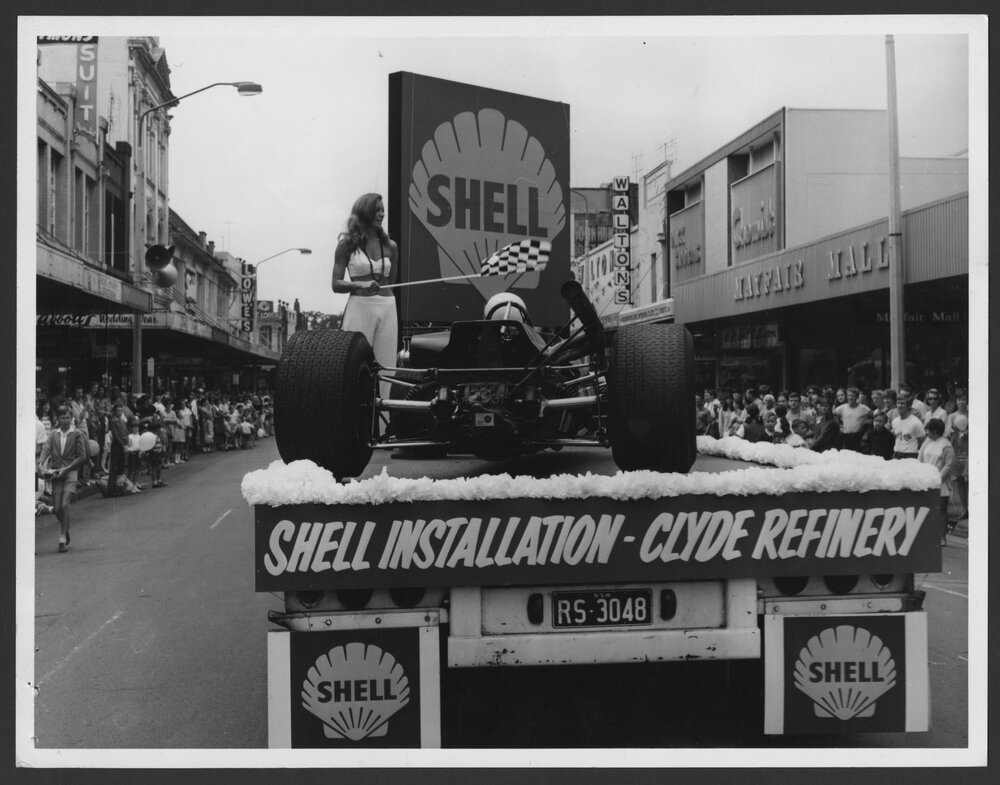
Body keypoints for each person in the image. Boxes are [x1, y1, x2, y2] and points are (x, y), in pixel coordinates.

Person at [332, 193, 399, 399]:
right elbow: (336, 283)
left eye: (383, 209)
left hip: (387, 307)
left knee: (387, 369)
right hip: (359, 306)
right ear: (364, 211)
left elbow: (392, 282)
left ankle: (384, 426)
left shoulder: (391, 246)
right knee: (352, 365)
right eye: (377, 209)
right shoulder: (346, 245)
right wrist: (360, 284)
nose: (382, 214)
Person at [37, 406, 88, 552]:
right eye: (62, 418)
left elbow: (82, 456)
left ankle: (62, 539)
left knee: (65, 505)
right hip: (55, 474)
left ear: (71, 418)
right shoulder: (53, 434)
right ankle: (66, 528)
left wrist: (67, 469)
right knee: (57, 508)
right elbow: (46, 449)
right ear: (57, 419)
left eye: (67, 417)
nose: (65, 421)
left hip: (70, 472)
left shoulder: (77, 433)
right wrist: (40, 464)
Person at [918, 418, 956, 545]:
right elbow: (920, 458)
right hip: (926, 480)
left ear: (934, 431)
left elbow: (949, 465)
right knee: (926, 508)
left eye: (928, 430)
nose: (926, 432)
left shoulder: (946, 445)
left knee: (941, 510)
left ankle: (942, 537)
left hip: (941, 483)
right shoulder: (926, 442)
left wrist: (938, 478)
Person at [945, 389, 968, 522]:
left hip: (970, 450)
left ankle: (973, 507)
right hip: (957, 450)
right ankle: (965, 509)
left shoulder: (971, 413)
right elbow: (947, 431)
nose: (961, 402)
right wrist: (951, 431)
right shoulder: (952, 416)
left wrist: (968, 432)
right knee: (959, 480)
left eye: (963, 399)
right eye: (959, 400)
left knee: (970, 480)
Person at [834, 386, 871, 452]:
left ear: (857, 397)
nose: (850, 398)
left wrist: (866, 425)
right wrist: (839, 426)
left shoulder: (863, 408)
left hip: (857, 437)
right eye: (849, 395)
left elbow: (874, 416)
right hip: (845, 436)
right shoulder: (842, 407)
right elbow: (833, 415)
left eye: (852, 396)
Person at [890, 394, 925, 459]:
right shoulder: (894, 421)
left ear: (908, 406)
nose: (900, 406)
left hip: (910, 455)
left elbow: (922, 440)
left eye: (903, 403)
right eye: (898, 403)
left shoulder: (916, 422)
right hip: (896, 454)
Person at [107, 403, 129, 497]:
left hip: (123, 445)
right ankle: (112, 489)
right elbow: (116, 435)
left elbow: (125, 432)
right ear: (114, 412)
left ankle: (118, 487)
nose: (119, 412)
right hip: (117, 446)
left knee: (121, 467)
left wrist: (127, 442)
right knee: (114, 468)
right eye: (118, 411)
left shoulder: (121, 420)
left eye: (121, 411)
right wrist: (122, 445)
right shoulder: (113, 421)